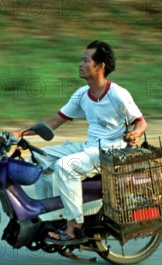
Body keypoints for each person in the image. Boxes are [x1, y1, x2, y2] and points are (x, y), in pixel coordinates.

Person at [11, 40, 147, 245]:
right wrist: (22, 132)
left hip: (111, 152)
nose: (80, 64)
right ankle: (51, 217)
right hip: (91, 147)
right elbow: (54, 121)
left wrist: (135, 134)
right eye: (81, 60)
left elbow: (141, 122)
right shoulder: (82, 94)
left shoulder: (118, 94)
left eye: (85, 60)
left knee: (66, 167)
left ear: (100, 67)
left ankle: (75, 226)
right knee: (38, 157)